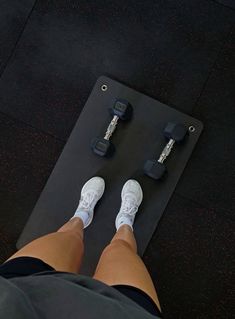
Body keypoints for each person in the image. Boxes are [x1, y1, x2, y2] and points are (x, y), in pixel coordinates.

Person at [0, 177, 162, 318]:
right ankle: (125, 222)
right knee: (121, 248)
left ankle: (82, 215)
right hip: (121, 312)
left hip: (19, 295)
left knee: (70, 236)